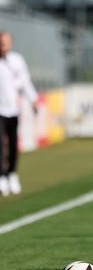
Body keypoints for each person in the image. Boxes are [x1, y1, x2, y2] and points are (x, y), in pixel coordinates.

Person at [0, 31, 38, 196]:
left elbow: (25, 82)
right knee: (0, 144)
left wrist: (34, 99)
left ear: (11, 43)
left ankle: (12, 174)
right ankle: (1, 176)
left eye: (6, 42)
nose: (3, 45)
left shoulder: (17, 61)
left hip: (13, 110)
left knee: (14, 144)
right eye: (1, 42)